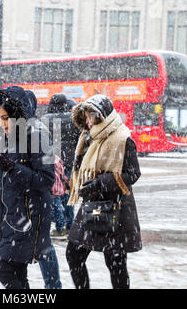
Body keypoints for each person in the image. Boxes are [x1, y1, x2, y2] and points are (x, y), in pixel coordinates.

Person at [0, 89, 62, 289]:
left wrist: (15, 169)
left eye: (5, 118)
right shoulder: (5, 139)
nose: (1, 124)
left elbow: (46, 180)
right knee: (12, 268)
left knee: (11, 263)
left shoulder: (39, 137)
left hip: (30, 216)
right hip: (9, 215)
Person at [66, 94, 142, 289]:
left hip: (116, 209)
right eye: (86, 116)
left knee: (115, 263)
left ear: (102, 116)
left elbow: (133, 173)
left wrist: (100, 183)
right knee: (73, 254)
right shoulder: (89, 137)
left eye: (92, 116)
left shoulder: (122, 138)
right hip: (92, 205)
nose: (88, 121)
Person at [42, 94, 80, 236]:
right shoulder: (73, 119)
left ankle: (60, 225)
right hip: (69, 163)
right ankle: (70, 225)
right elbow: (80, 141)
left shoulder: (45, 120)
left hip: (53, 163)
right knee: (68, 195)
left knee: (55, 194)